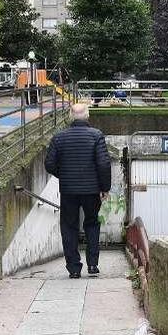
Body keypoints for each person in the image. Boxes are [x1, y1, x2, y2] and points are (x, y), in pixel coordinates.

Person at [44, 103, 112, 278]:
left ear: (70, 115)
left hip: (68, 191)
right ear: (87, 115)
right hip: (91, 190)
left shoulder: (59, 137)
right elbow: (103, 164)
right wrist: (104, 188)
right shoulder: (96, 135)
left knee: (69, 227)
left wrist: (65, 175)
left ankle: (74, 268)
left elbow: (49, 164)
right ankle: (92, 265)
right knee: (92, 223)